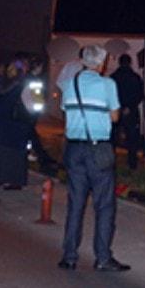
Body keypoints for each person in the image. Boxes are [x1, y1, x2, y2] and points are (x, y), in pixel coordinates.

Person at [57, 45, 128, 272]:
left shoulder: (70, 84)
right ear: (101, 63)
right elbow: (115, 117)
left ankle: (69, 257)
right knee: (104, 205)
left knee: (75, 204)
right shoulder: (107, 84)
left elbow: (65, 110)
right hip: (98, 149)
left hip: (74, 149)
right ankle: (103, 258)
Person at [0, 59, 33, 189]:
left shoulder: (1, 85)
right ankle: (14, 180)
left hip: (0, 121)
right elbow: (32, 105)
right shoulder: (25, 85)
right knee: (16, 152)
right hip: (17, 122)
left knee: (1, 150)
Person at [111, 54, 145, 170]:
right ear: (130, 63)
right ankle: (132, 163)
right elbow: (140, 94)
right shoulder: (135, 77)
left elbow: (110, 95)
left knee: (113, 137)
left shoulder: (113, 77)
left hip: (116, 109)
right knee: (132, 138)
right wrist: (130, 106)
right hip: (131, 110)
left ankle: (111, 162)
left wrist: (118, 106)